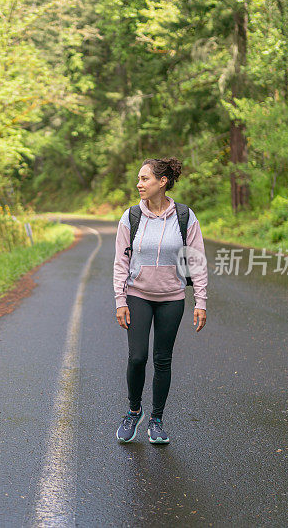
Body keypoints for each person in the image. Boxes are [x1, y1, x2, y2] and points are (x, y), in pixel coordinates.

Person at [112, 157, 208, 445]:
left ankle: (157, 420)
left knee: (162, 360)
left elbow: (197, 260)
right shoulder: (131, 217)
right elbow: (120, 262)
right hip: (137, 294)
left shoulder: (184, 216)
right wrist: (120, 299)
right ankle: (133, 411)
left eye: (145, 179)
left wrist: (200, 301)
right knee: (137, 357)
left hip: (172, 298)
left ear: (162, 182)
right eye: (139, 179)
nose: (139, 184)